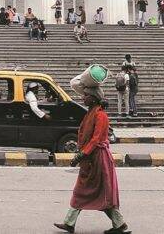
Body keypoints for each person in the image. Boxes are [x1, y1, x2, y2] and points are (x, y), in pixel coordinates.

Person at [54, 93, 127, 234]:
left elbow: (96, 139)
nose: (83, 98)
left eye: (86, 95)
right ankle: (118, 223)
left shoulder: (100, 116)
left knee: (96, 192)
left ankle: (118, 223)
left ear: (93, 98)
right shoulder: (90, 113)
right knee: (90, 191)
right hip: (89, 158)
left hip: (97, 159)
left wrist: (81, 155)